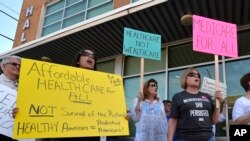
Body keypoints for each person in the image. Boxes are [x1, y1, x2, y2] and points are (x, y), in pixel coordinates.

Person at [167, 67, 223, 141]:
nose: (196, 76)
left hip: (208, 137)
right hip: (186, 138)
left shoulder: (207, 96)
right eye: (192, 74)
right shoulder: (178, 97)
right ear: (185, 78)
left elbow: (214, 121)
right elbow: (173, 120)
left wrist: (218, 104)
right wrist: (169, 139)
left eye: (198, 75)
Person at [0, 55, 21, 141]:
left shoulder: (22, 87)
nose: (18, 67)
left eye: (20, 65)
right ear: (3, 66)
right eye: (14, 64)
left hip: (13, 133)